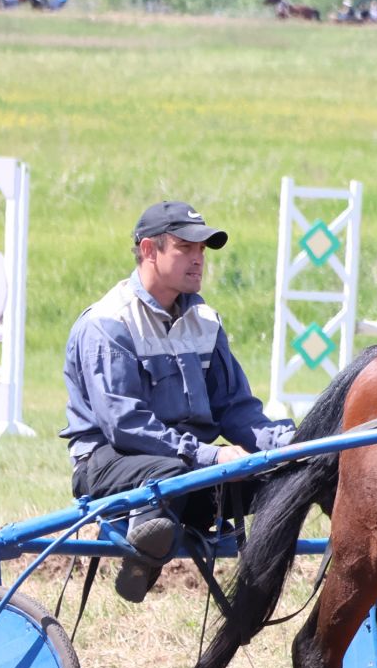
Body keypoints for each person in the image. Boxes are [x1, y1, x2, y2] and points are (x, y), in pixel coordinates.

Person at [62, 200, 295, 600]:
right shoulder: (108, 323)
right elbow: (126, 426)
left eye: (202, 250)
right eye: (185, 248)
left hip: (188, 469)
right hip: (110, 464)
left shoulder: (206, 321)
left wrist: (289, 445)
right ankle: (144, 546)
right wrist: (213, 458)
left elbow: (235, 409)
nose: (198, 259)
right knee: (170, 472)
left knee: (297, 473)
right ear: (149, 250)